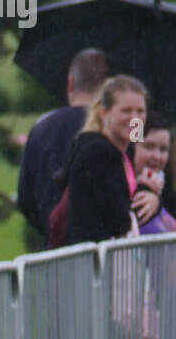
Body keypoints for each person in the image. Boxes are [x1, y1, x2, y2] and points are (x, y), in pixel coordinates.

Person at [18, 48, 111, 238]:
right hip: (109, 252)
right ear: (108, 88)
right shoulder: (116, 128)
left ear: (70, 82)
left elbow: (26, 201)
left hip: (55, 252)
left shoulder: (42, 127)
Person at [63, 76, 155, 245]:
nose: (135, 119)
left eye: (140, 111)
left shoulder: (127, 152)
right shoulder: (98, 153)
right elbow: (118, 221)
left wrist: (153, 198)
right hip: (95, 262)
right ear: (104, 113)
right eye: (126, 111)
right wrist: (149, 190)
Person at [131, 112, 176, 234]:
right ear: (132, 146)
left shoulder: (167, 192)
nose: (157, 156)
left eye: (163, 149)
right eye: (149, 147)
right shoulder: (121, 184)